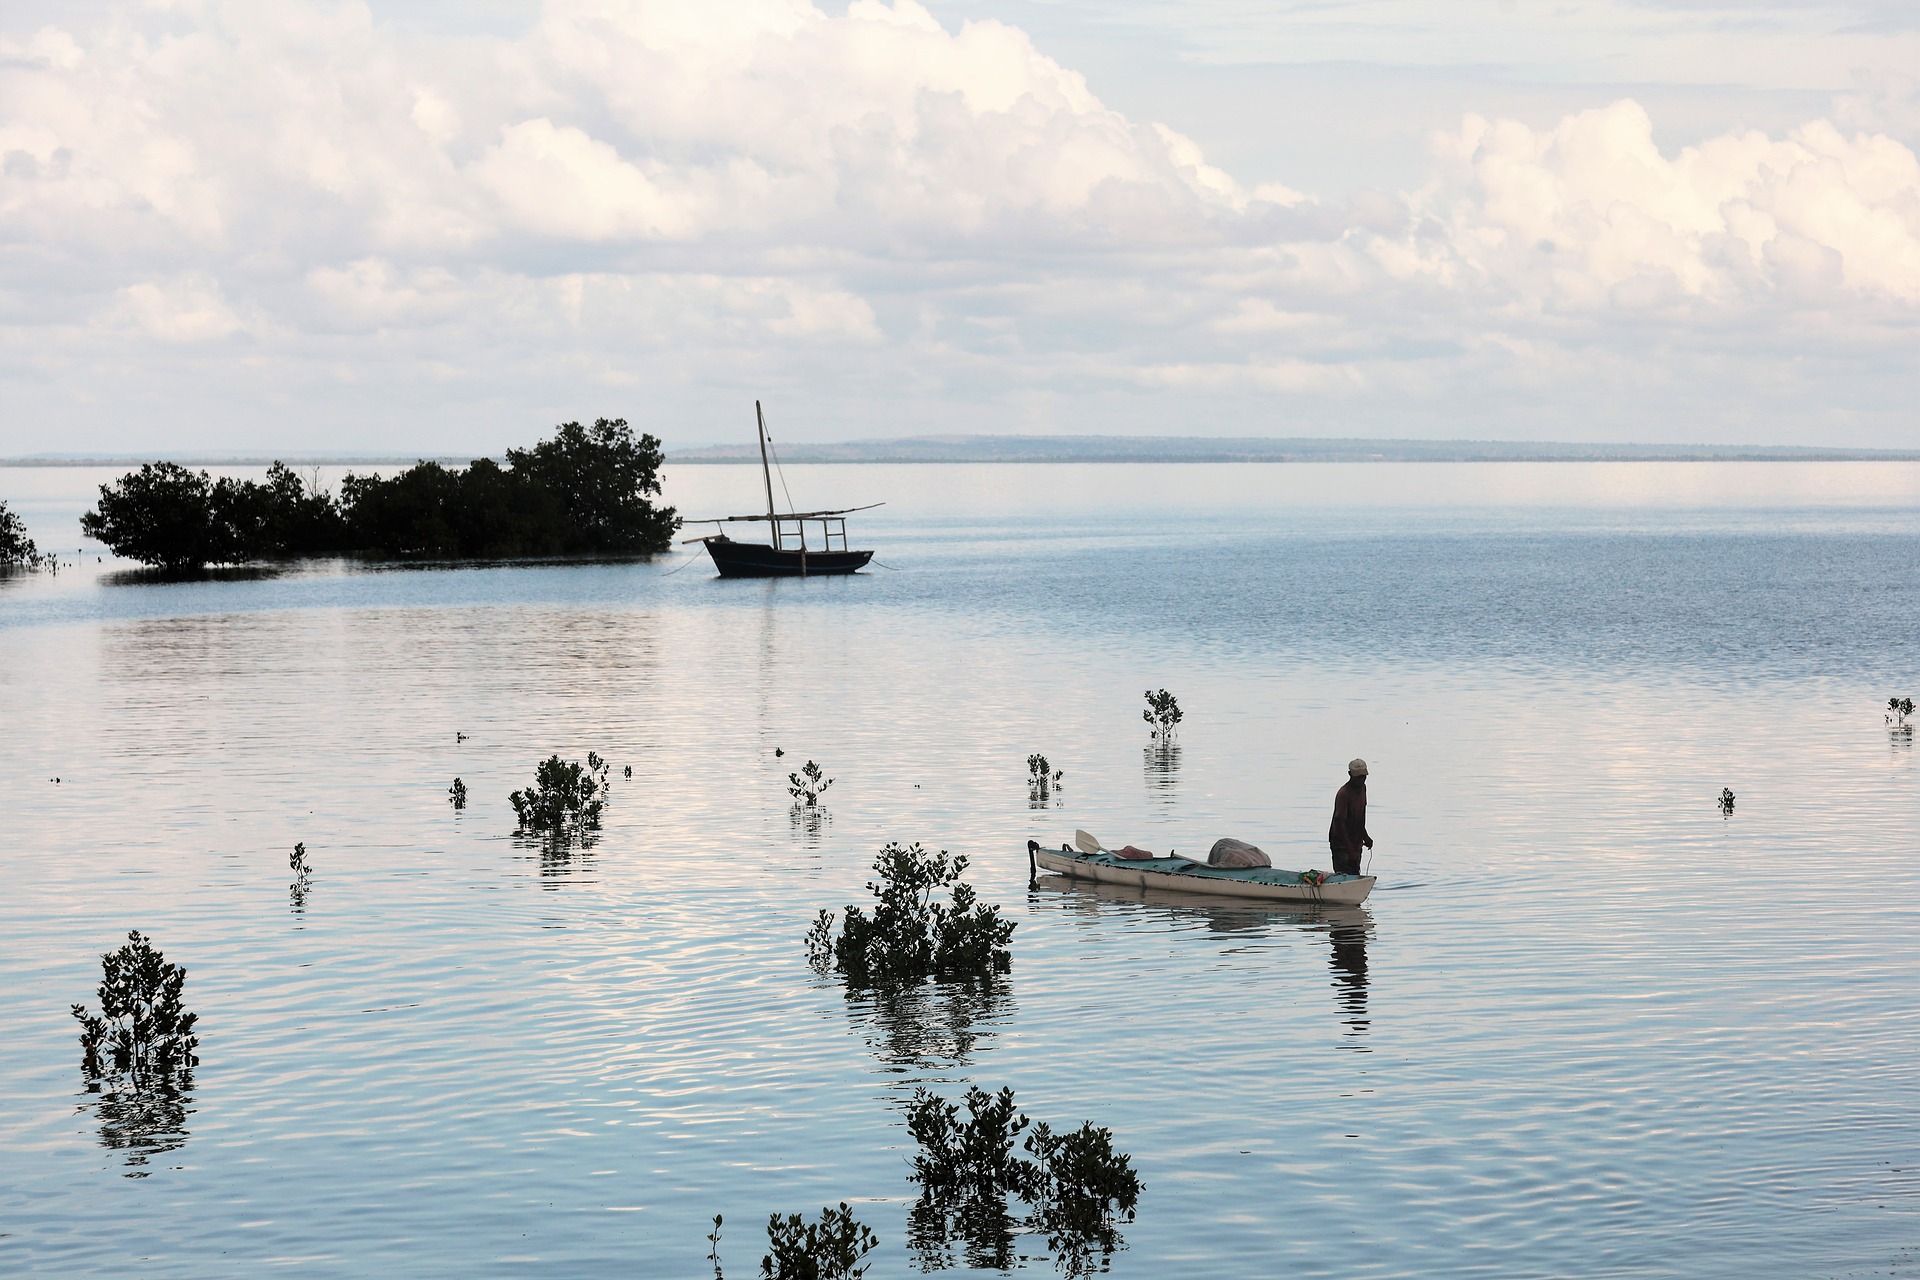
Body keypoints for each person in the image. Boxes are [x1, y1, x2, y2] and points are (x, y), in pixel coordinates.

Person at [1328, 758, 1373, 876]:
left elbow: (1361, 816)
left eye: (1363, 776)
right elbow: (1339, 824)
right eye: (1358, 777)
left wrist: (1365, 836)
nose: (1361, 780)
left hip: (1356, 841)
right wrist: (1350, 850)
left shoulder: (1363, 789)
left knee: (1355, 873)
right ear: (1350, 775)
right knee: (1344, 875)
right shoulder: (1344, 794)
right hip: (1342, 843)